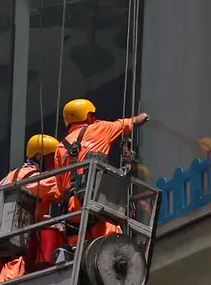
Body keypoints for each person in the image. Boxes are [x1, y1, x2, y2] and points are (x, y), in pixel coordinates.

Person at [54, 99, 150, 241]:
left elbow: (60, 190)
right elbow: (133, 121)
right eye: (92, 114)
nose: (94, 117)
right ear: (87, 116)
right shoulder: (99, 128)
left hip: (74, 211)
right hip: (97, 204)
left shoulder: (60, 148)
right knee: (112, 248)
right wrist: (145, 116)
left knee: (79, 253)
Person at [0, 134, 65, 285]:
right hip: (15, 243)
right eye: (52, 159)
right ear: (40, 157)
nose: (54, 164)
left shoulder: (8, 177)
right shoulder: (37, 178)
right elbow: (61, 189)